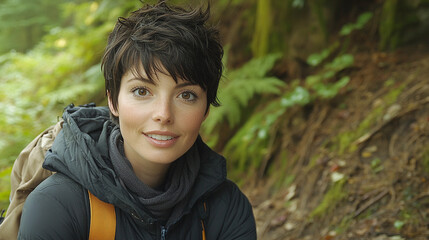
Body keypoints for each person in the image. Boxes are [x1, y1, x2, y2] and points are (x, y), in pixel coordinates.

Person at [17, 1, 256, 239]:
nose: (163, 114)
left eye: (186, 95)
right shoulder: (59, 206)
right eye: (142, 91)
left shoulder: (227, 210)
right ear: (113, 101)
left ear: (206, 110)